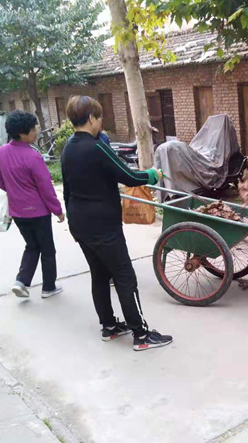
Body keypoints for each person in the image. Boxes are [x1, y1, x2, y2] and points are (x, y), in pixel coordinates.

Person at [61, 96, 172, 351]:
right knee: (124, 276)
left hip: (80, 223)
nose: (101, 122)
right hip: (103, 225)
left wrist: (74, 225)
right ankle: (141, 334)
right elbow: (129, 176)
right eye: (99, 117)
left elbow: (67, 190)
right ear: (91, 118)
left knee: (100, 275)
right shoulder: (96, 147)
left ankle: (109, 327)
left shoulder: (68, 148)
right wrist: (152, 175)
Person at [0, 110, 65, 299]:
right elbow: (46, 188)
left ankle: (21, 282)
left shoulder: (2, 152)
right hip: (38, 212)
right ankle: (48, 287)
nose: (36, 131)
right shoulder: (33, 156)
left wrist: (14, 190)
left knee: (32, 245)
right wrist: (58, 211)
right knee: (47, 249)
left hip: (17, 212)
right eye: (33, 129)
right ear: (22, 133)